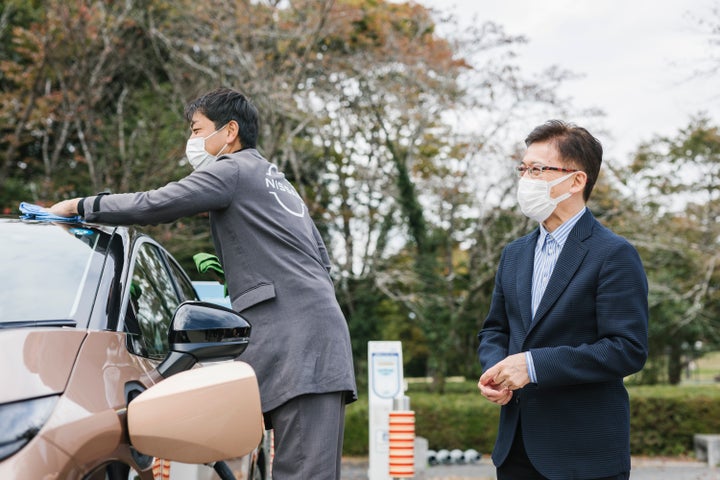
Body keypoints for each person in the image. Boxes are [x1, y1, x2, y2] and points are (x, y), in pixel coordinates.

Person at [49, 87, 357, 480]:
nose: (191, 142)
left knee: (304, 475)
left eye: (197, 130)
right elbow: (321, 257)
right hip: (311, 339)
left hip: (300, 347)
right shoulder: (273, 179)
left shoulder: (232, 169)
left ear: (229, 131)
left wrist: (81, 206)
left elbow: (157, 203)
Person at [476, 120, 649, 480]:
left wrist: (534, 366)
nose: (525, 178)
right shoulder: (514, 254)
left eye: (537, 169)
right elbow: (494, 329)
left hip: (584, 455)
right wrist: (495, 370)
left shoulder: (613, 254)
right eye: (523, 168)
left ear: (576, 180)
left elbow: (626, 348)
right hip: (515, 451)